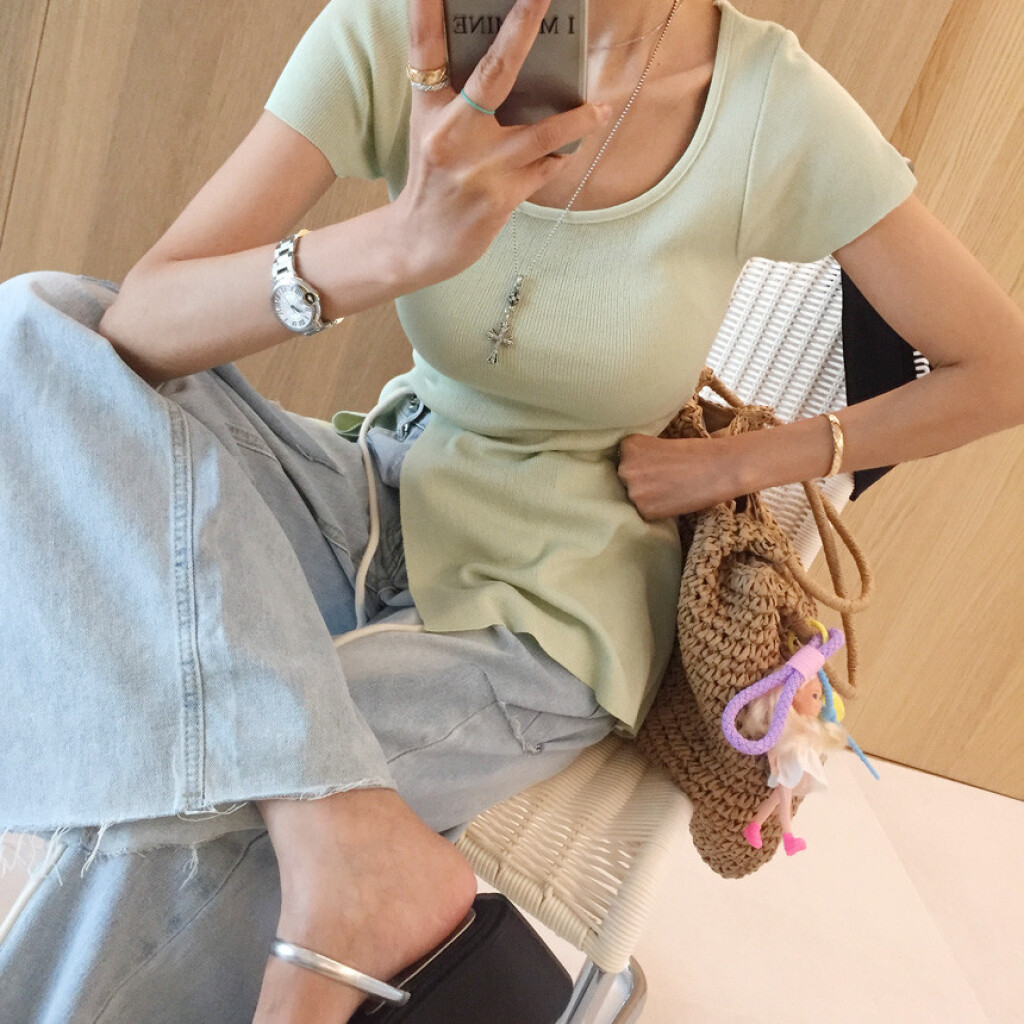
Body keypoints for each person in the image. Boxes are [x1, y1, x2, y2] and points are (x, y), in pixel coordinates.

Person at [1, 0, 1022, 1020]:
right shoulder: (398, 33)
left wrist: (741, 461)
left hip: (558, 598)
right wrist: (393, 245)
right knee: (36, 326)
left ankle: (310, 828)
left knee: (196, 814)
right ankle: (348, 841)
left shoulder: (764, 105)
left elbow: (997, 367)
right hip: (381, 486)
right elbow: (136, 326)